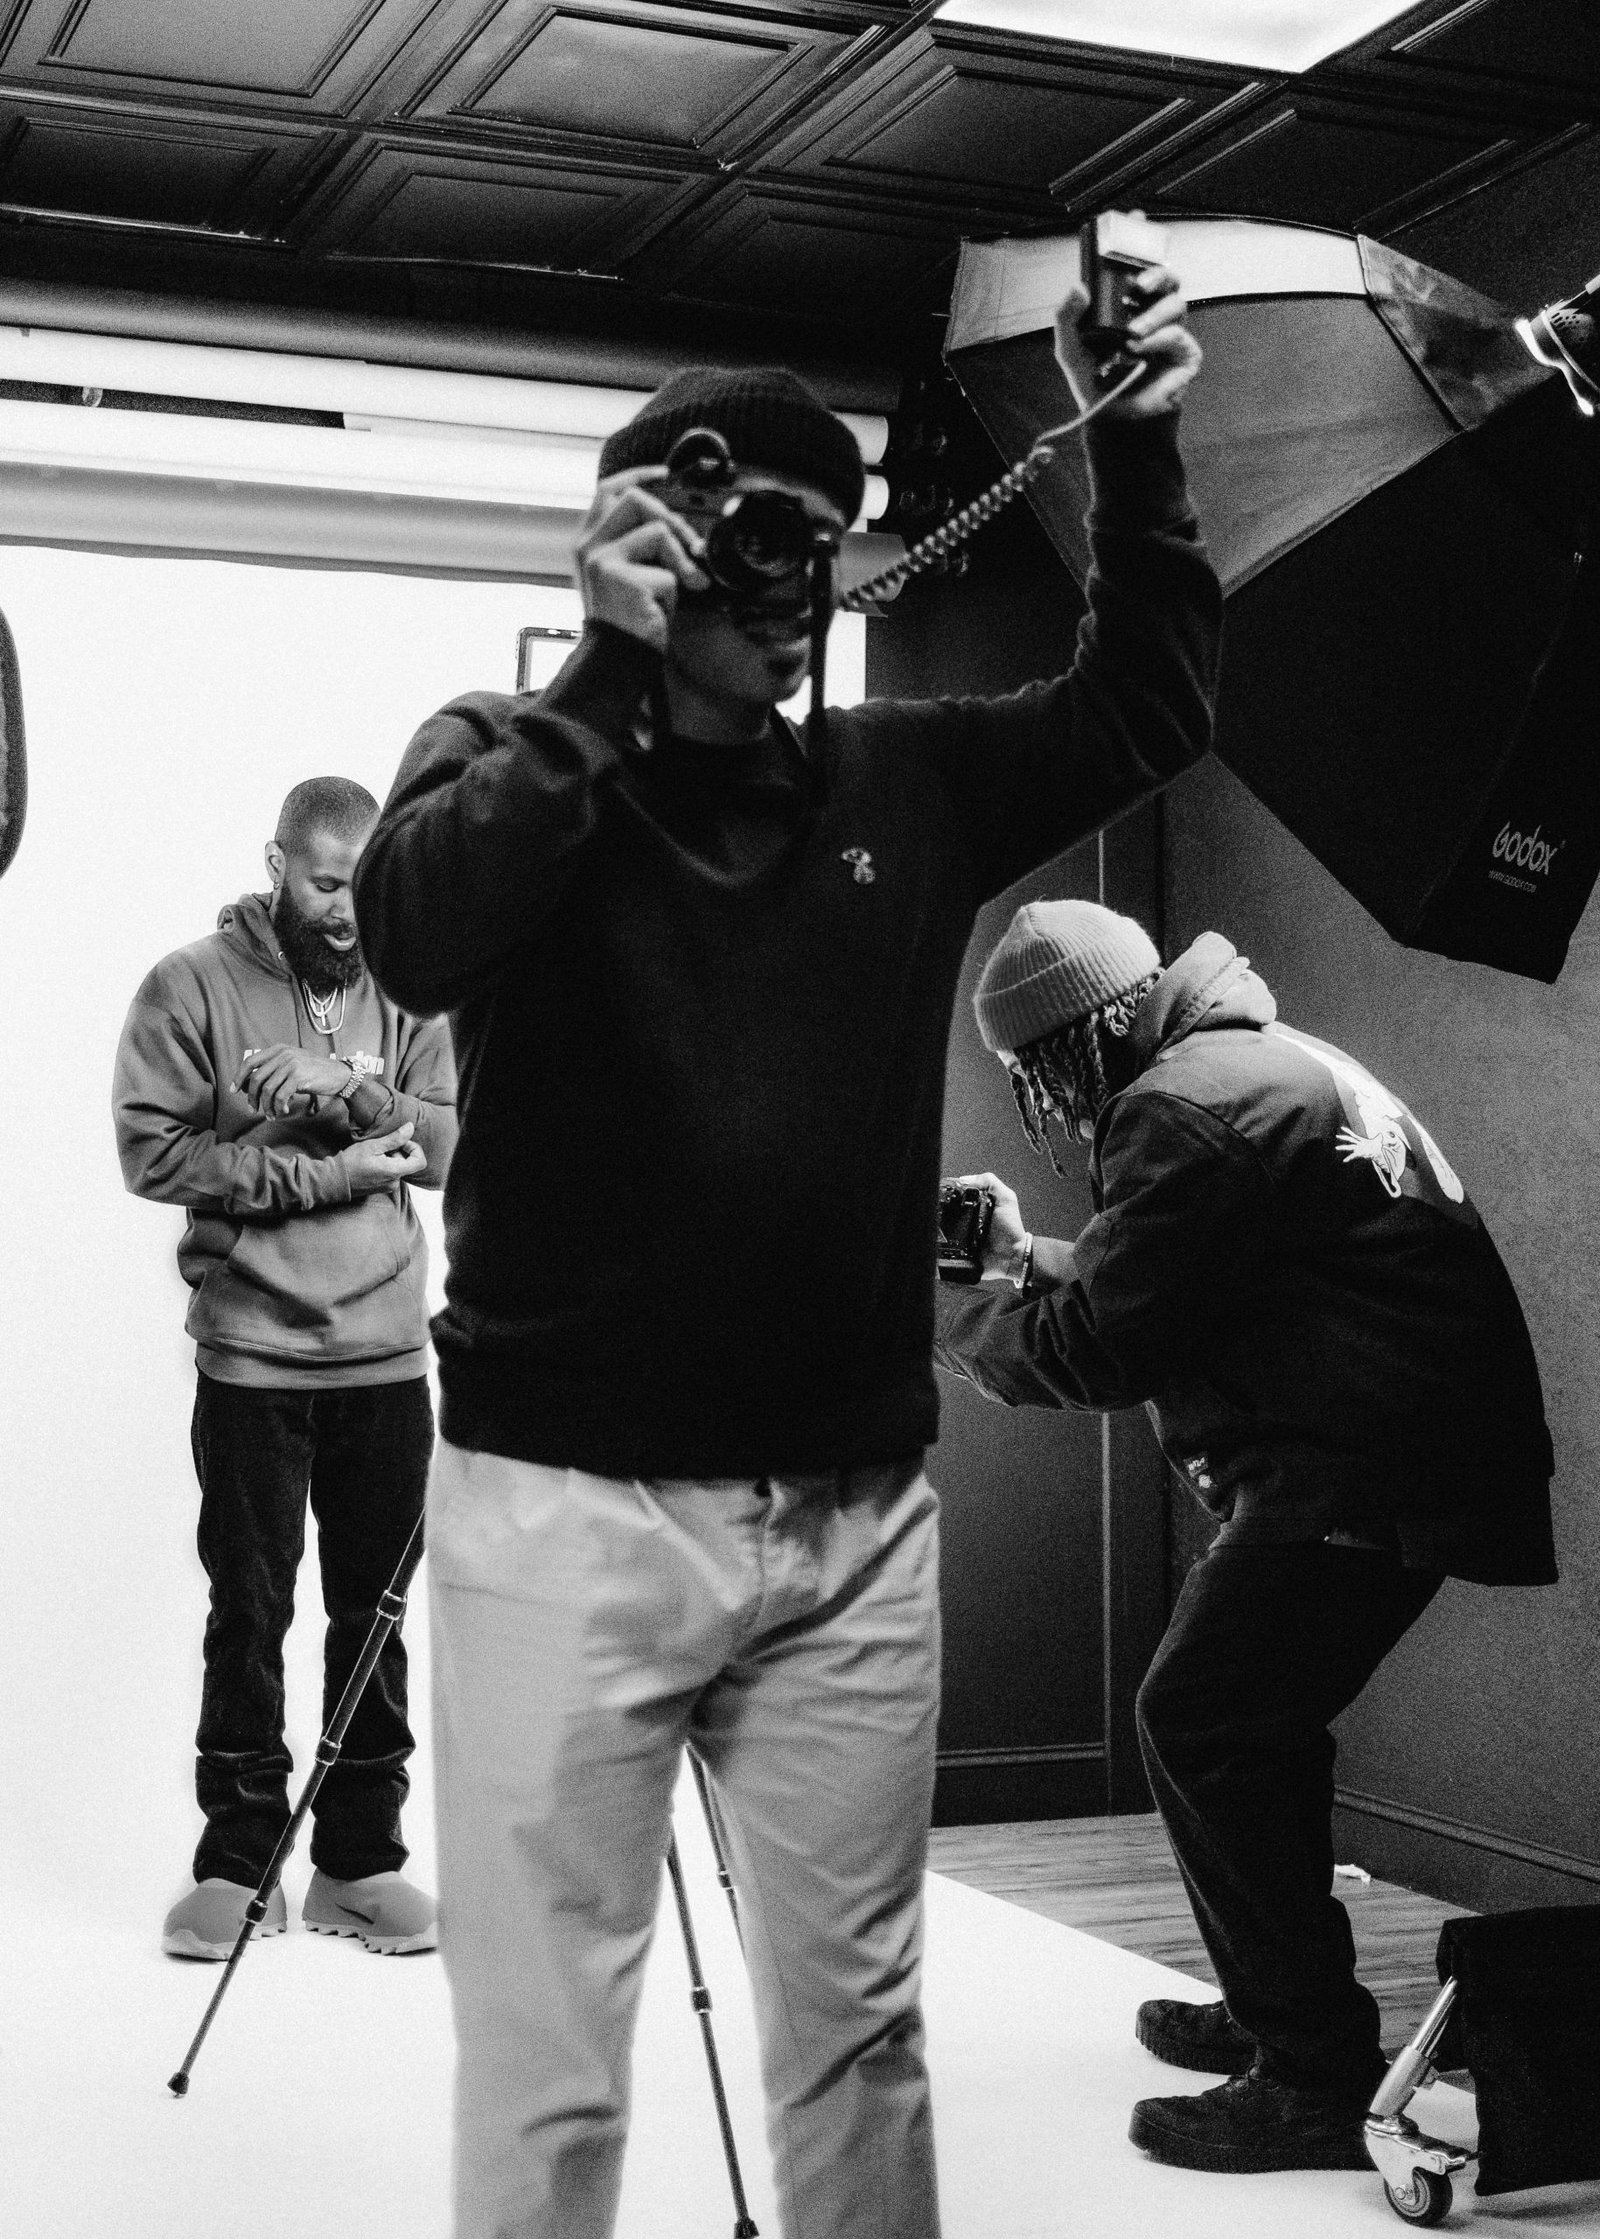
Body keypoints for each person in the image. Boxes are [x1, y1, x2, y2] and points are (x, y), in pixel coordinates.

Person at [352, 250, 1217, 2239]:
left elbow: (1149, 702)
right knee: (549, 2066)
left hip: (850, 1524)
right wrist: (600, 675)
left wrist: (1141, 448)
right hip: (562, 1518)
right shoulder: (504, 748)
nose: (787, 573)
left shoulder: (894, 778)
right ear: (632, 531)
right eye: (745, 523)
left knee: (861, 2039)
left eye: (818, 534)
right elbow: (414, 931)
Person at [933, 899, 1557, 2175]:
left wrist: (930, 1316)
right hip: (1406, 1448)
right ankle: (1278, 2001)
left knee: (1203, 1721)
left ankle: (1313, 2074)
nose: (1039, 1104)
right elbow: (1177, 1264)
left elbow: (1101, 1345)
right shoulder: (1249, 1061)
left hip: (1364, 1463)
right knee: (1246, 1726)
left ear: (1073, 1040)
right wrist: (1020, 1258)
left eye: (1031, 1074)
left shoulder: (1178, 1109)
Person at [113, 777, 457, 1960]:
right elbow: (150, 1152)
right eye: (324, 885)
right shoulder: (190, 985)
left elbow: (449, 1146)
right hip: (253, 1359)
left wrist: (351, 1087)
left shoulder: (410, 988)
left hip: (386, 1358)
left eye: (364, 885)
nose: (348, 911)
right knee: (248, 1613)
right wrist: (329, 1173)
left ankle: (357, 1864)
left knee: (377, 1619)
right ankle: (240, 1864)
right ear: (276, 866)